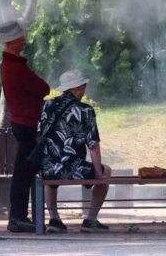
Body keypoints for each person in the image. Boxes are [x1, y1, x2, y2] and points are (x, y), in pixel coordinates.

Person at [38, 70, 111, 233]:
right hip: (74, 168)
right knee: (107, 171)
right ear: (77, 88)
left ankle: (54, 219)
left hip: (48, 169)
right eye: (84, 86)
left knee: (49, 170)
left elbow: (40, 135)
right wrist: (98, 172)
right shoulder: (85, 110)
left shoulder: (47, 105)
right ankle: (90, 220)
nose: (85, 89)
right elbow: (93, 145)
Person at [0, 20, 51, 233]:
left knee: (24, 171)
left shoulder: (12, 64)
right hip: (26, 122)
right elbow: (43, 88)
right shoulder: (14, 67)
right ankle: (17, 217)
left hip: (24, 122)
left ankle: (19, 216)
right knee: (23, 173)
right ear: (11, 43)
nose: (24, 39)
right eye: (20, 37)